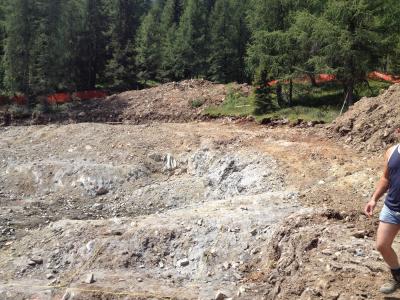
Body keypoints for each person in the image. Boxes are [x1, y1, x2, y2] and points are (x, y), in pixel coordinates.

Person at [365, 129, 400, 294]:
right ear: (398, 132)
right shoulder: (391, 151)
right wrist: (374, 199)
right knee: (382, 245)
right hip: (392, 207)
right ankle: (398, 277)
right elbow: (386, 178)